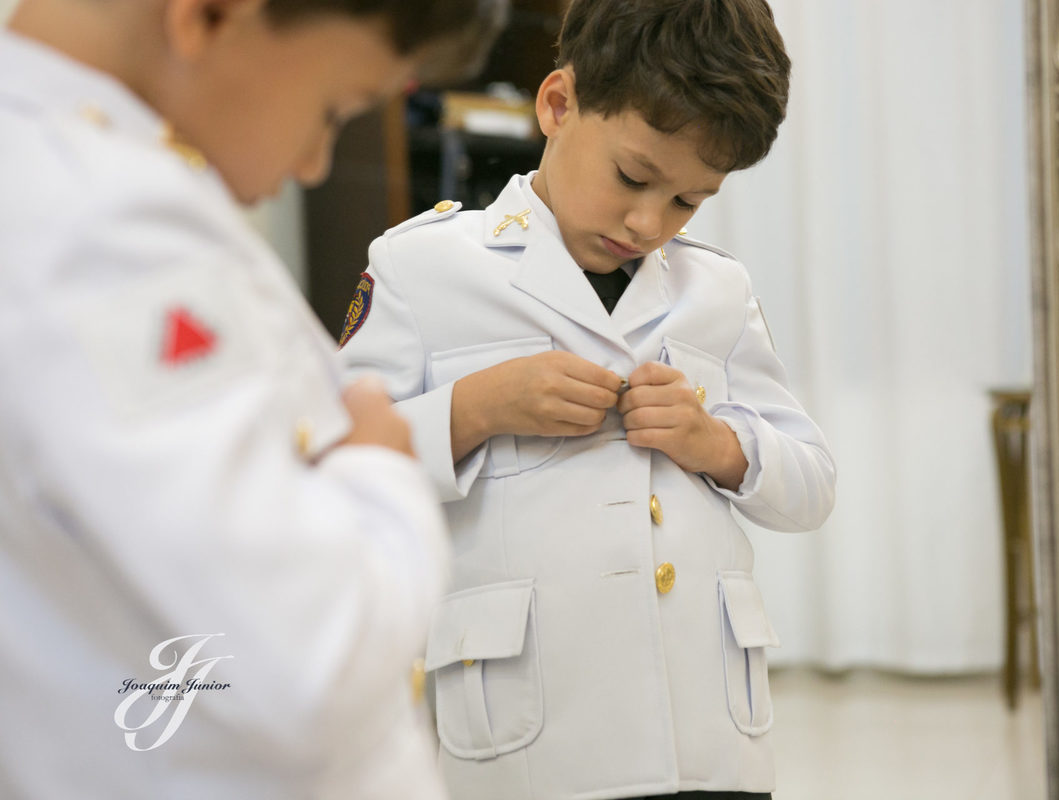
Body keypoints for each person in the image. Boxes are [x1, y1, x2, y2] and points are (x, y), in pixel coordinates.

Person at [0, 0, 505, 798]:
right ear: (210, 14)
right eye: (334, 109)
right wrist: (380, 470)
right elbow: (313, 660)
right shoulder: (101, 230)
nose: (313, 164)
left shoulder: (71, 174)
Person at [336, 1, 837, 798]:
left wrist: (718, 444)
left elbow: (811, 484)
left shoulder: (719, 291)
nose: (648, 223)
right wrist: (476, 408)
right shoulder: (422, 269)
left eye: (687, 201)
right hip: (532, 741)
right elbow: (334, 474)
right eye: (633, 177)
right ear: (559, 106)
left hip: (707, 737)